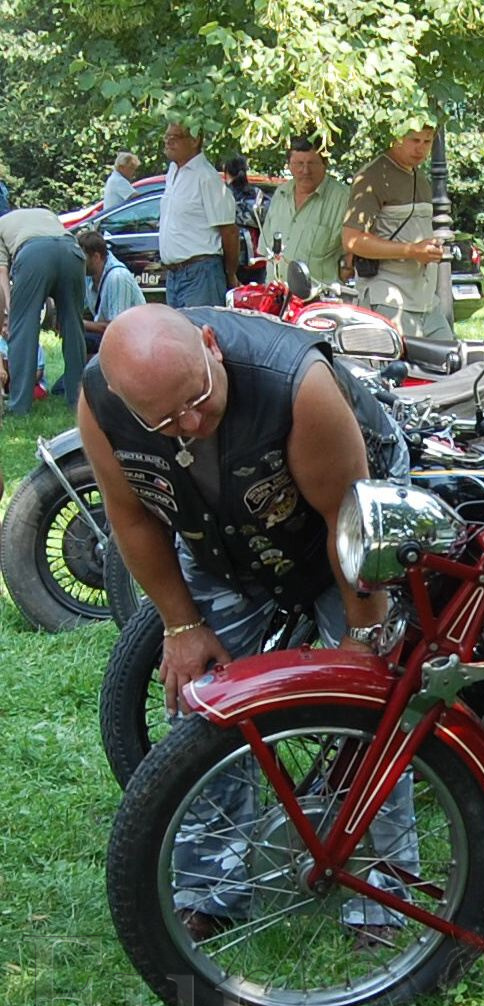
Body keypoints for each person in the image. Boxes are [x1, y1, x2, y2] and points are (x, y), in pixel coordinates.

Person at [78, 303, 416, 938]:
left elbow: (349, 520)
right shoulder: (103, 405)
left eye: (196, 399)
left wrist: (362, 638)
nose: (189, 424)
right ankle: (212, 891)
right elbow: (132, 518)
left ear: (211, 343)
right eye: (165, 421)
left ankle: (381, 898)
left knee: (373, 703)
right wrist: (181, 626)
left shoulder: (295, 384)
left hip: (350, 522)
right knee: (200, 701)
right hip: (220, 535)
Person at [342, 126, 452, 340]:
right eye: (414, 140)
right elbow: (351, 240)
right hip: (388, 299)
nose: (420, 148)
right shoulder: (373, 176)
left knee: (452, 358)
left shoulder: (419, 176)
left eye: (427, 142)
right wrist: (412, 251)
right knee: (402, 362)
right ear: (396, 137)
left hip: (427, 303)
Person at [0, 206, 87, 413]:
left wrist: (12, 309)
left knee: (23, 330)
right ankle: (79, 400)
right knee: (74, 328)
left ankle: (19, 405)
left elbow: (2, 272)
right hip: (72, 251)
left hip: (34, 255)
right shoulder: (44, 214)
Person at [159, 123, 239, 308]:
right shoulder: (173, 171)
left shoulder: (206, 177)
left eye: (174, 137)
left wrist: (230, 273)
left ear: (194, 140)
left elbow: (229, 231)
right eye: (166, 137)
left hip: (201, 273)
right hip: (174, 275)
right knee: (177, 327)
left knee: (200, 326)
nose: (168, 142)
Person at [261, 135, 349, 283]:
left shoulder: (344, 199)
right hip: (275, 292)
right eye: (299, 163)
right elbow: (265, 249)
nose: (305, 170)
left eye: (312, 163)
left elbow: (354, 255)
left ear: (325, 163)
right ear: (289, 165)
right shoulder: (280, 194)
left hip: (318, 295)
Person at [78, 229, 146, 353]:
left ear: (96, 257)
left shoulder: (117, 277)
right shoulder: (89, 275)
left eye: (82, 259)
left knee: (82, 339)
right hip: (112, 335)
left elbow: (117, 328)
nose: (78, 264)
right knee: (75, 336)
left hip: (134, 340)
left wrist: (81, 323)